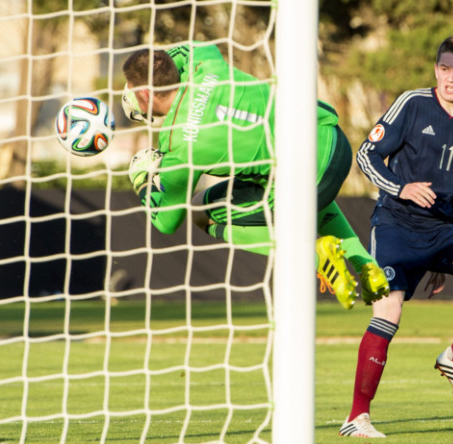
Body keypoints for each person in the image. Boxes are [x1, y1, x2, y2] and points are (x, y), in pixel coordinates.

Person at [338, 36, 453, 438]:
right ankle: (357, 418)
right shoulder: (412, 103)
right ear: (435, 68)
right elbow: (366, 156)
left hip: (440, 231)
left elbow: (450, 191)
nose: (449, 78)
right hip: (394, 225)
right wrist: (400, 188)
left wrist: (442, 259)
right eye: (444, 68)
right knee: (388, 313)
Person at [121, 42, 389, 308]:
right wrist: (155, 64)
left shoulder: (177, 145)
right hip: (333, 144)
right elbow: (182, 51)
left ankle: (316, 257)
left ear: (144, 93)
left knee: (200, 210)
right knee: (281, 177)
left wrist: (143, 180)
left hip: (306, 184)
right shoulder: (206, 61)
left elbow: (166, 223)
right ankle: (367, 266)